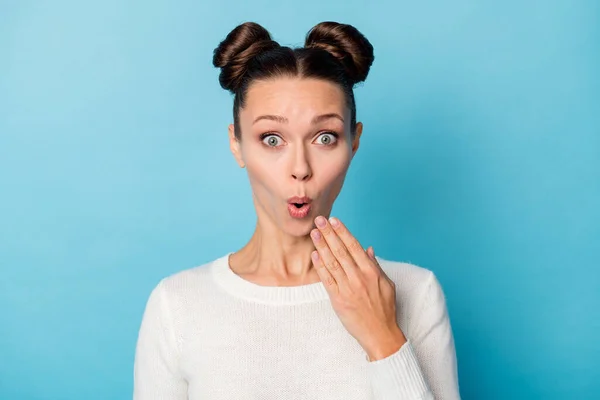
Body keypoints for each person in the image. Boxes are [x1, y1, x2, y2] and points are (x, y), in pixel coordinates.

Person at [133, 21, 461, 400]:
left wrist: (383, 338)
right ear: (236, 144)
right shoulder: (177, 304)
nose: (300, 167)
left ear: (353, 143)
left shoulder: (414, 293)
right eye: (272, 139)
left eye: (325, 137)